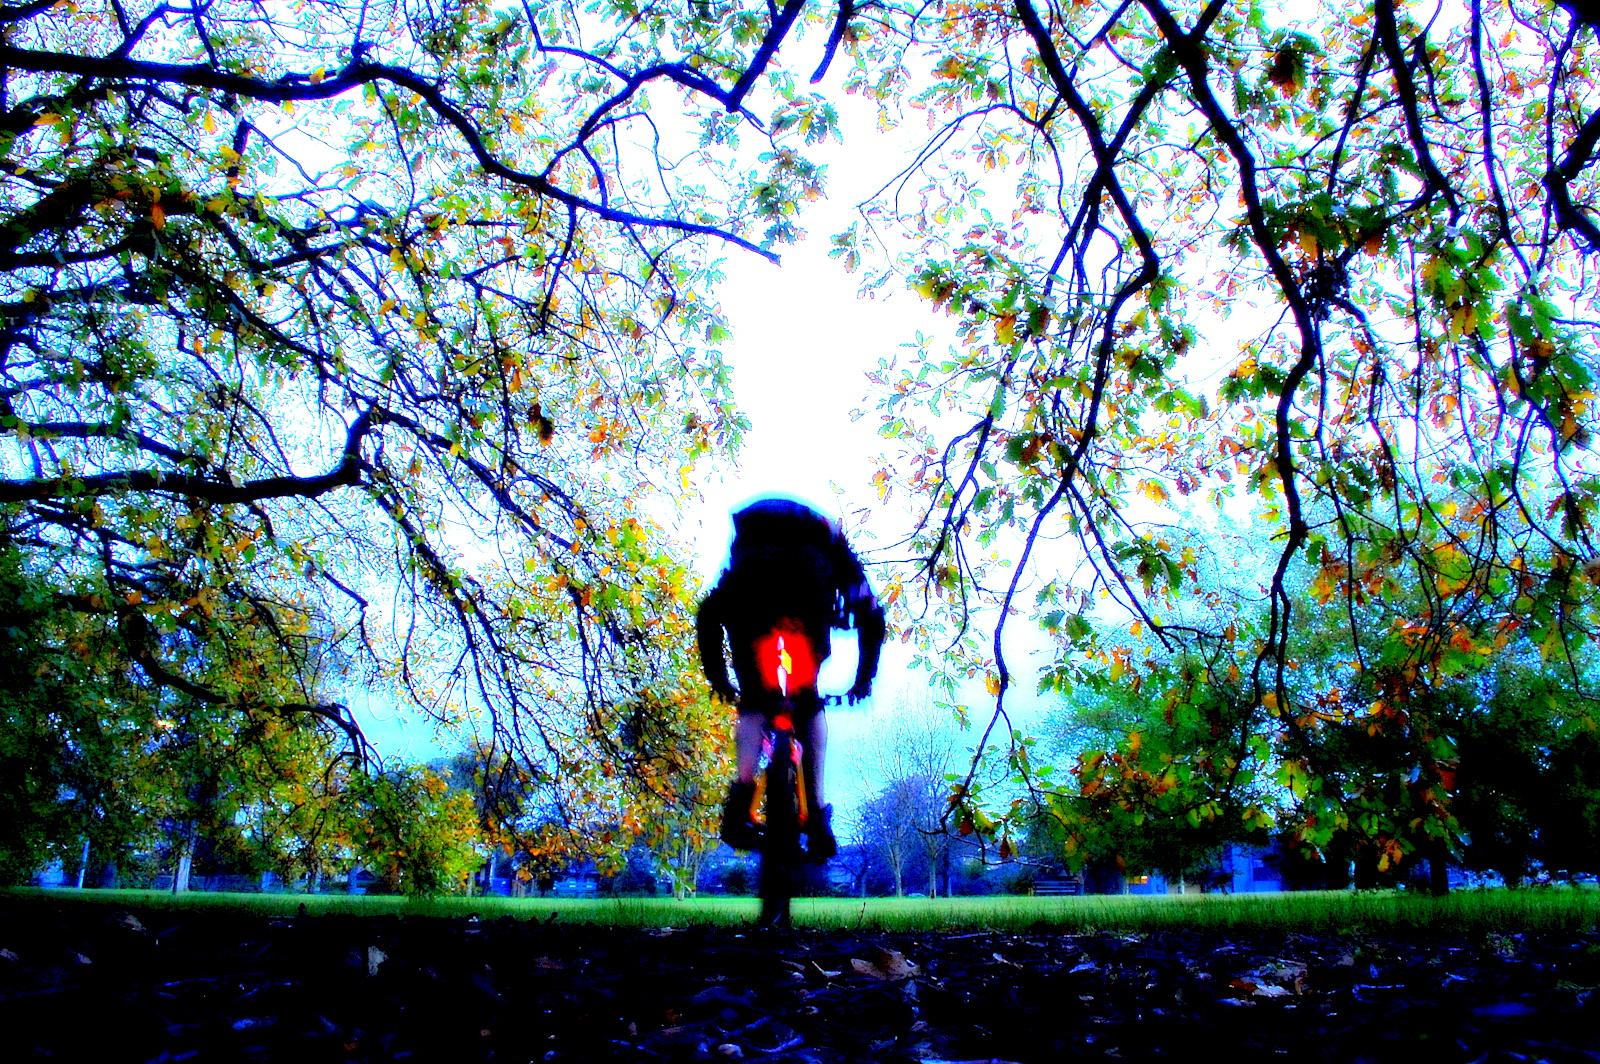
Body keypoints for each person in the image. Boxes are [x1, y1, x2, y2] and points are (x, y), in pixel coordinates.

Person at [696, 496, 885, 860]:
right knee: (809, 701)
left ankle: (740, 803)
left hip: (751, 606)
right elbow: (870, 615)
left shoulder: (747, 549)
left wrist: (719, 678)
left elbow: (709, 615)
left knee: (753, 700)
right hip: (807, 605)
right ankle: (816, 815)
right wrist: (864, 679)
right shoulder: (834, 548)